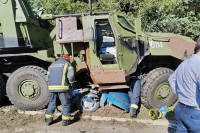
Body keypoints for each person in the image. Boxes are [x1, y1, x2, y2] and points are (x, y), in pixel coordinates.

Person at [168, 38, 200, 133]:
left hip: (180, 108)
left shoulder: (184, 63)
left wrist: (179, 93)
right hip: (194, 113)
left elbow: (171, 79)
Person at [45, 54, 75, 126]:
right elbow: (71, 76)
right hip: (63, 88)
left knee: (52, 103)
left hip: (52, 88)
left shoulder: (52, 65)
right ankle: (65, 121)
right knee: (65, 104)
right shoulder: (67, 64)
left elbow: (47, 77)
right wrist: (71, 84)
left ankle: (48, 120)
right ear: (67, 59)